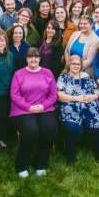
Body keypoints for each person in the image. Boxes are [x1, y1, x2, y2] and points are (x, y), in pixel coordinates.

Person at [10, 48, 58, 178]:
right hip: (22, 109)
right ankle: (21, 164)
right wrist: (29, 107)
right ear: (26, 59)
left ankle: (40, 163)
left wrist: (43, 106)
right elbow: (14, 96)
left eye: (36, 57)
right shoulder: (19, 74)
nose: (33, 59)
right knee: (31, 131)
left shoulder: (47, 73)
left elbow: (53, 95)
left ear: (40, 58)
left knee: (50, 129)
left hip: (44, 108)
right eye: (30, 57)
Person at [57, 56, 99, 164]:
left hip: (88, 105)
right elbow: (59, 95)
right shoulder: (63, 78)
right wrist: (77, 98)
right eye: (73, 63)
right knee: (73, 128)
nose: (76, 66)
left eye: (78, 64)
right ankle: (70, 153)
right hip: (70, 107)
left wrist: (92, 97)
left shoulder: (86, 76)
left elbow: (97, 91)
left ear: (81, 66)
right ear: (69, 65)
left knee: (98, 124)